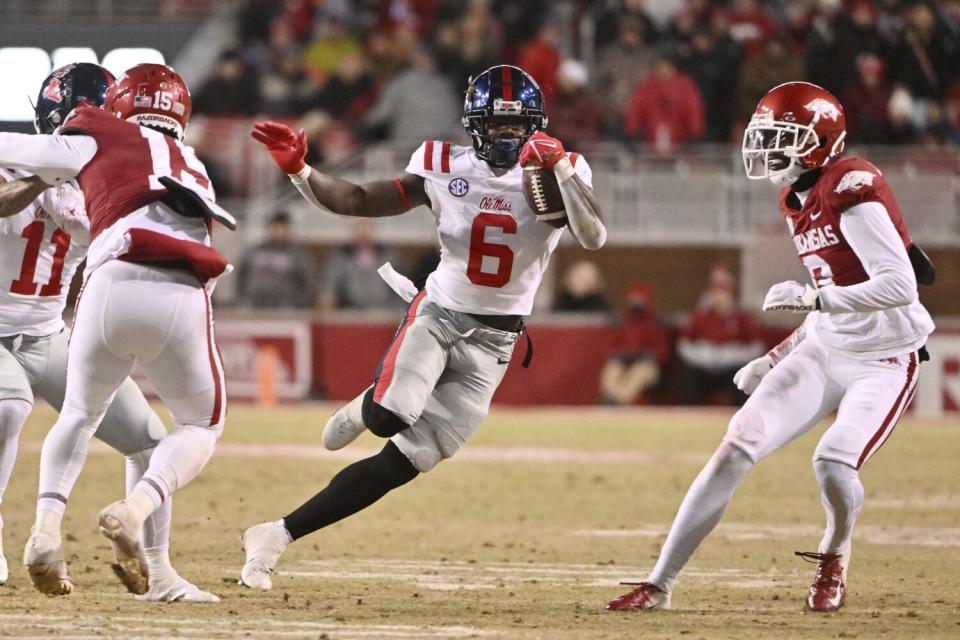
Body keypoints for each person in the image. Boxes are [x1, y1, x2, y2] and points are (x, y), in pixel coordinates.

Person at [240, 64, 606, 589]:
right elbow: (361, 200)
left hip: (496, 345)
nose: (507, 136)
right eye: (497, 125)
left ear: (536, 124)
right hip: (439, 316)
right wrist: (302, 171)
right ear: (474, 124)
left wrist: (563, 173)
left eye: (517, 125)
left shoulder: (559, 170)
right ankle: (373, 402)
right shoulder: (442, 164)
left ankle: (274, 535)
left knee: (405, 462)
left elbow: (592, 237)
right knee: (391, 416)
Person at [607, 82, 934, 613]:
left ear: (818, 141)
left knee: (832, 462)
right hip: (826, 348)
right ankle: (659, 584)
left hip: (885, 359)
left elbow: (900, 286)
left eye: (781, 137)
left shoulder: (849, 187)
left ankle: (834, 552)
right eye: (765, 136)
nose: (766, 148)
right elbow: (835, 302)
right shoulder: (795, 197)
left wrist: (813, 297)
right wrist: (779, 353)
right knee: (736, 445)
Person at [0, 63, 231, 598]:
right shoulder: (38, 161)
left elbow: (101, 220)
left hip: (49, 332)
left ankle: (157, 572)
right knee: (9, 407)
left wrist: (73, 184)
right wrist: (45, 176)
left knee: (147, 439)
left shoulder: (96, 166)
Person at [676, 266, 763, 406]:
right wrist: (704, 355)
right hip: (703, 365)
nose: (720, 294)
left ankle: (739, 417)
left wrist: (730, 355)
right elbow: (684, 344)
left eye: (724, 288)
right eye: (716, 288)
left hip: (731, 366)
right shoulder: (701, 315)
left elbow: (756, 347)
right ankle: (690, 415)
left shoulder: (742, 316)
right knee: (688, 374)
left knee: (744, 376)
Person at [599, 282, 670, 406]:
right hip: (624, 361)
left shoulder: (655, 323)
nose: (637, 302)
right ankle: (609, 401)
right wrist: (621, 355)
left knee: (639, 372)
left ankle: (616, 404)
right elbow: (610, 347)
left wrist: (644, 357)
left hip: (647, 366)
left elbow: (662, 353)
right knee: (612, 368)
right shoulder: (623, 321)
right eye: (634, 298)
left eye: (640, 299)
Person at [236, 210, 316, 309]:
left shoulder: (298, 254)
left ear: (289, 229)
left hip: (287, 308)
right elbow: (241, 276)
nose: (279, 232)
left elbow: (308, 283)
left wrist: (299, 305)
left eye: (283, 228)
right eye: (276, 227)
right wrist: (243, 299)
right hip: (253, 307)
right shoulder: (253, 251)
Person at [319, 219, 403, 312]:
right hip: (349, 315)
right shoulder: (338, 258)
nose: (363, 232)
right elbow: (328, 292)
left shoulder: (390, 256)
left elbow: (402, 293)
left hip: (384, 315)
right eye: (358, 227)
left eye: (367, 226)